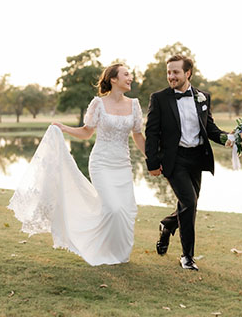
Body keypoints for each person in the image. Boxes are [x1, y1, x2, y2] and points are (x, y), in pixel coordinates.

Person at [8, 63, 144, 265]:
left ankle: (119, 255)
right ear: (113, 79)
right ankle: (96, 248)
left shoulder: (134, 105)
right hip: (101, 164)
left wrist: (152, 159)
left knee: (124, 210)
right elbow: (87, 131)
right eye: (126, 74)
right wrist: (64, 128)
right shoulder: (98, 103)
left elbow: (138, 135)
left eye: (130, 74)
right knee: (113, 208)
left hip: (122, 165)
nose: (130, 77)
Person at [145, 54, 229, 270]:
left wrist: (227, 139)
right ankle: (187, 257)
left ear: (188, 73)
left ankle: (167, 225)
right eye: (169, 72)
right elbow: (152, 133)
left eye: (176, 72)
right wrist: (152, 163)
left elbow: (209, 128)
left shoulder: (203, 97)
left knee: (188, 205)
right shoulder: (159, 98)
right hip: (174, 160)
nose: (171, 76)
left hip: (196, 159)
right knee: (189, 204)